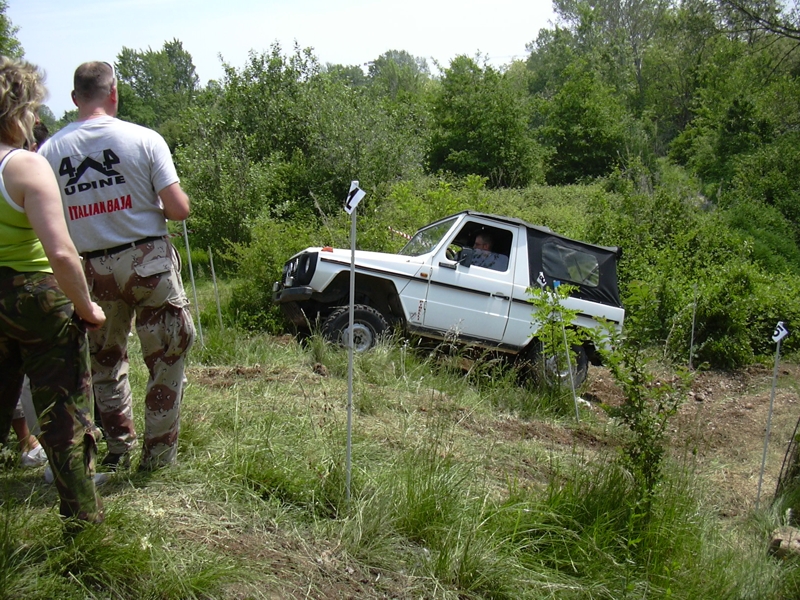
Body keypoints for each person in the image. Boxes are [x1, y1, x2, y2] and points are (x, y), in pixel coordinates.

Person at [40, 61, 195, 472]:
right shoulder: (144, 139)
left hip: (88, 268)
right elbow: (178, 209)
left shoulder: (50, 150)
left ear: (75, 98)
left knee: (105, 361)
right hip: (147, 261)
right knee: (166, 357)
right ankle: (158, 456)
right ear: (114, 93)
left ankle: (118, 448)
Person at [0, 56, 105, 523]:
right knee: (64, 418)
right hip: (37, 299)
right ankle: (84, 528)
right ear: (20, 108)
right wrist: (88, 307)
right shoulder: (24, 165)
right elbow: (61, 253)